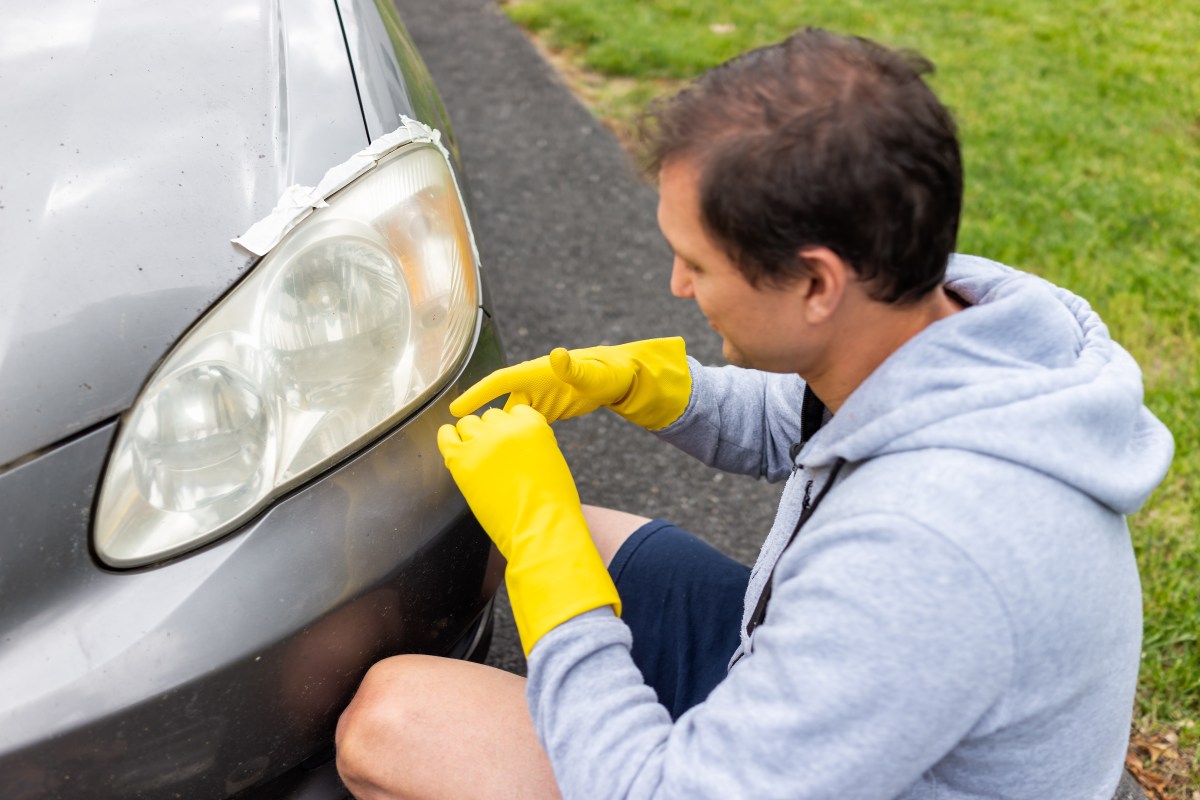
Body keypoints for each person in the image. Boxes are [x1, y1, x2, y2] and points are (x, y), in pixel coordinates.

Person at [334, 28, 1173, 800]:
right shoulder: (961, 318)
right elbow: (809, 417)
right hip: (840, 702)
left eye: (698, 262)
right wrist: (641, 385)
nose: (677, 286)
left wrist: (553, 561)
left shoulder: (923, 553)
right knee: (489, 530)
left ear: (815, 282)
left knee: (391, 722)